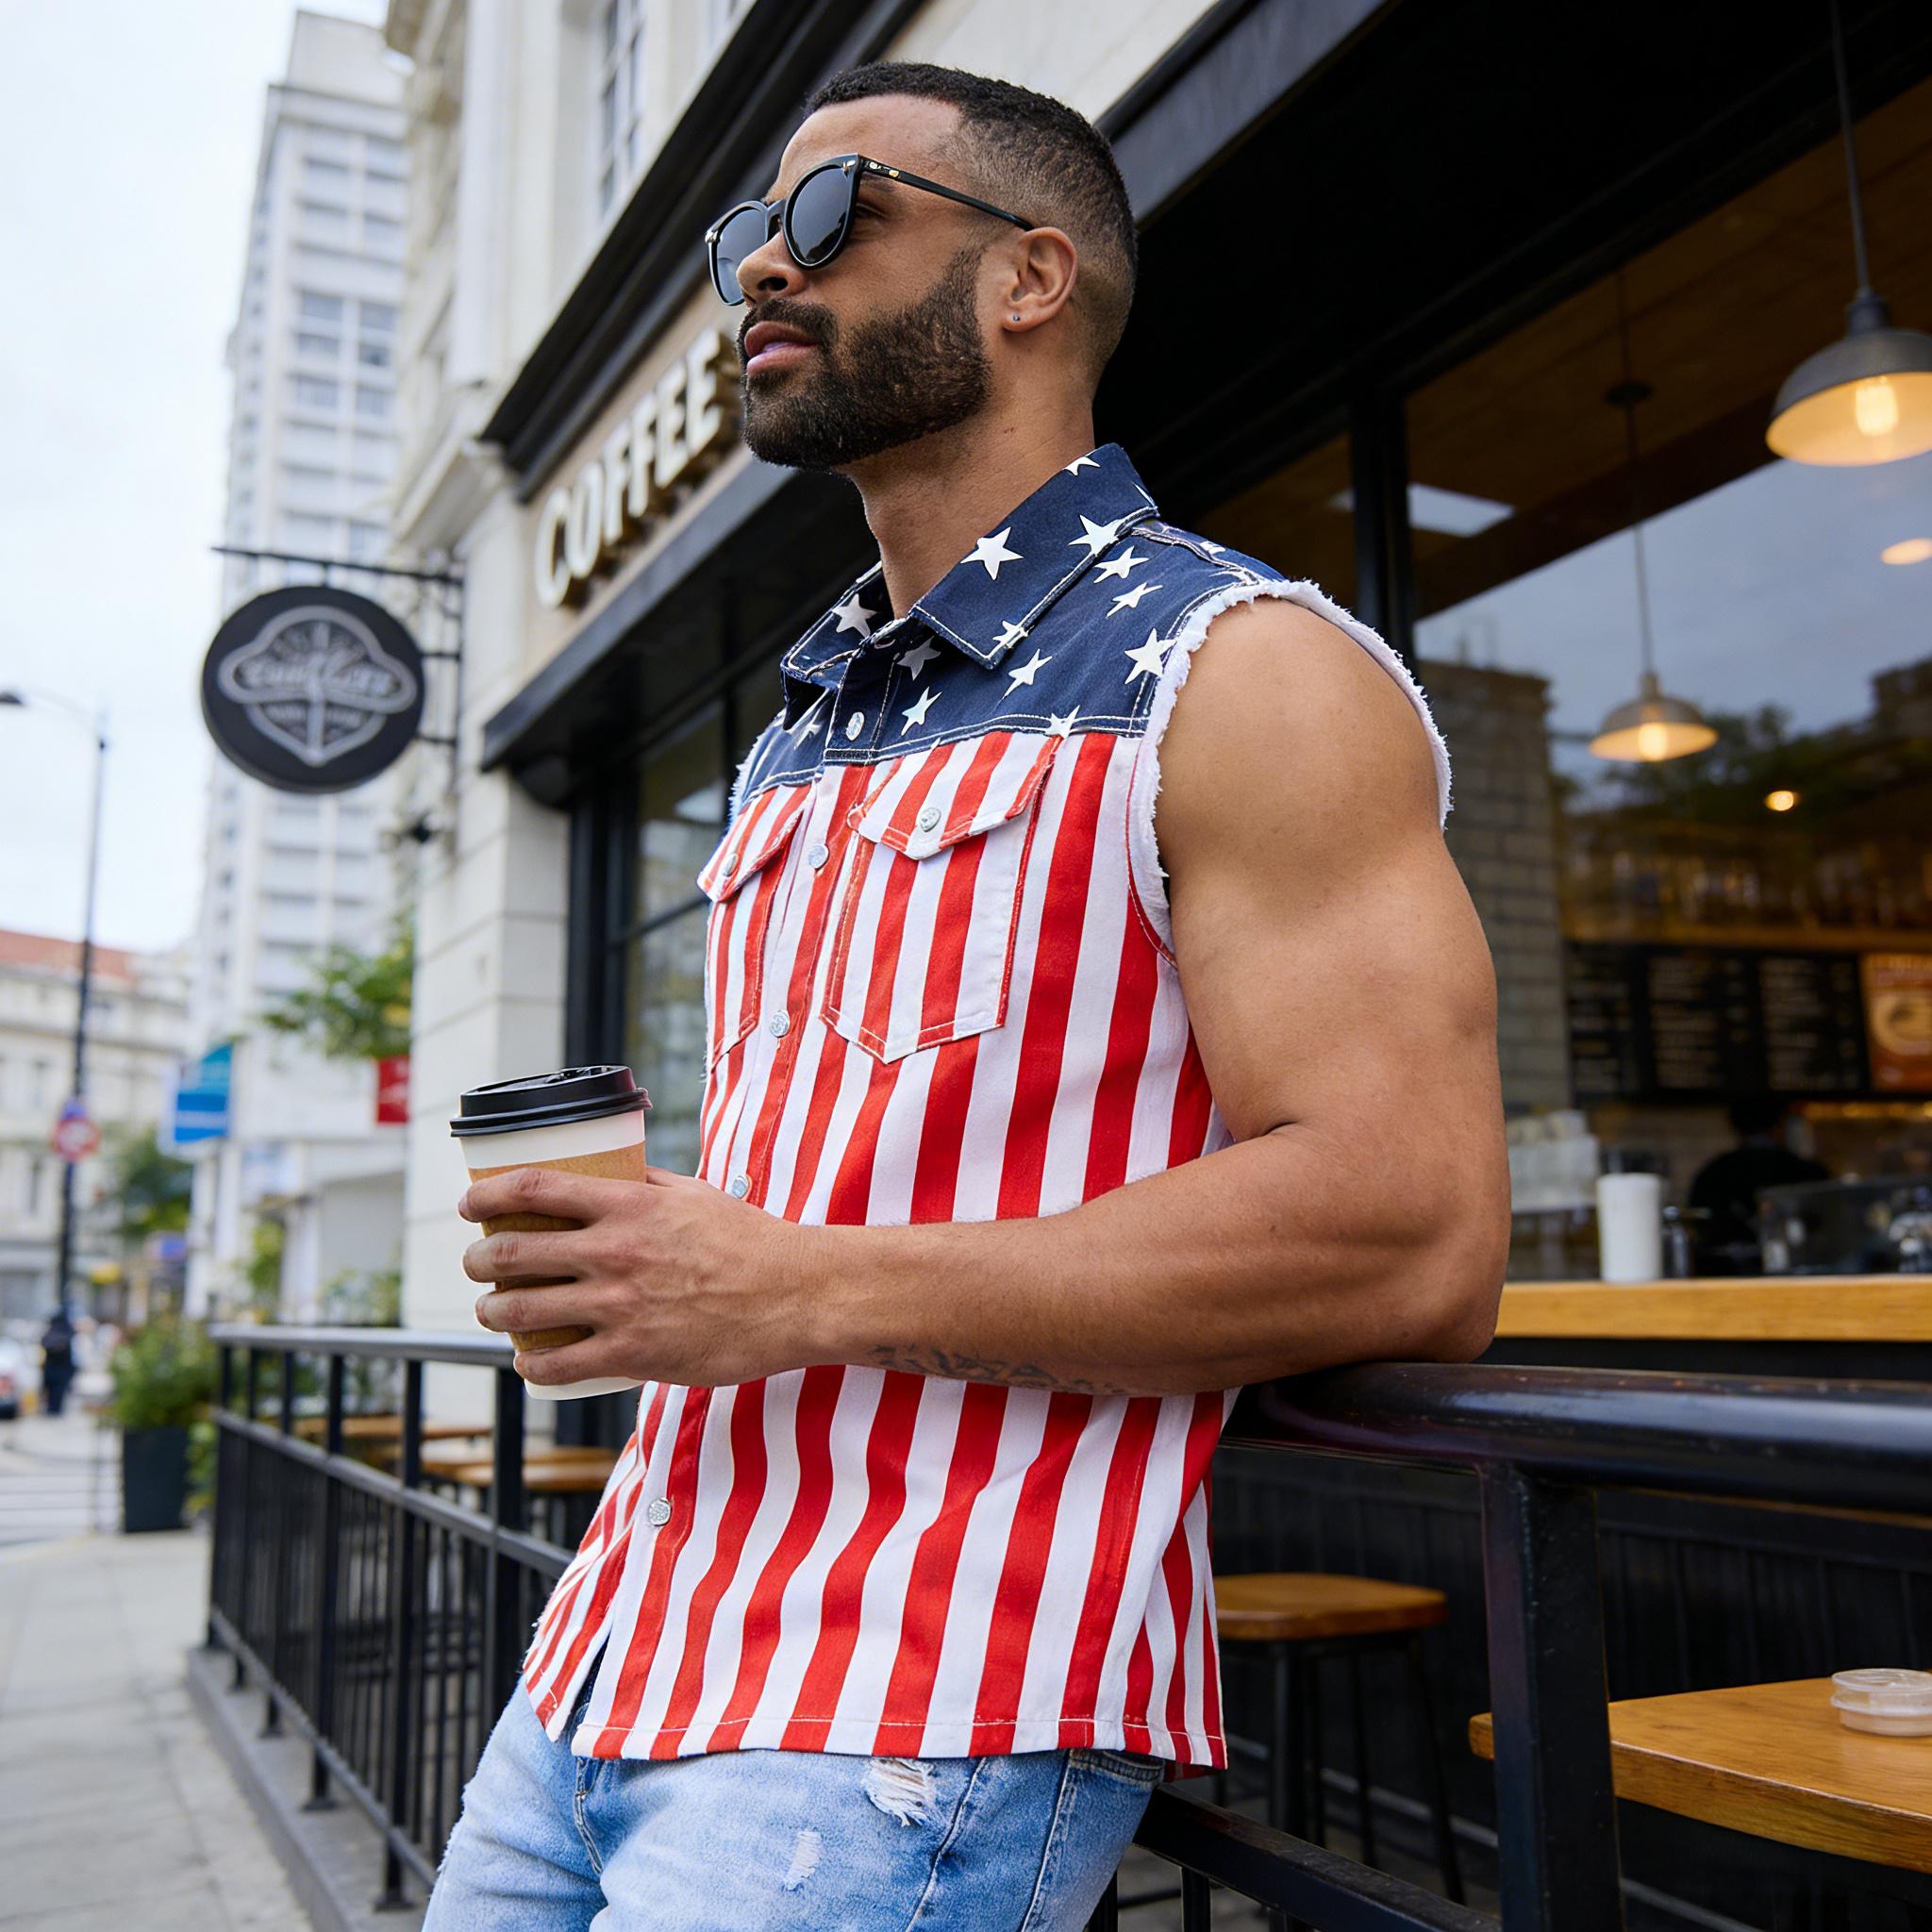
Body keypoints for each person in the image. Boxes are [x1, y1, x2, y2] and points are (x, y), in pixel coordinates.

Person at [431, 63, 1508, 1930]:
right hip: (614, 1648)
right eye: (743, 233)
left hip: (912, 1704)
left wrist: (793, 1282)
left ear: (1027, 277)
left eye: (828, 211)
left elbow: (1409, 1230)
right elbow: (843, 1185)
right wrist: (668, 1261)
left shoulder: (1238, 671)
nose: (764, 267)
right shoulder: (802, 727)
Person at [1689, 1096, 1829, 1275]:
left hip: (1728, 1277)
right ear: (1781, 1123)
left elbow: (1702, 1230)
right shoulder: (1808, 1171)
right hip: (1801, 1276)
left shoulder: (1713, 1173)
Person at [39, 1306, 75, 1418]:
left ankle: (52, 1409)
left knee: (54, 1390)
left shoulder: (53, 1333)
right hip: (60, 1369)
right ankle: (55, 1409)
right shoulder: (66, 1333)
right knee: (58, 1391)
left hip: (53, 1368)